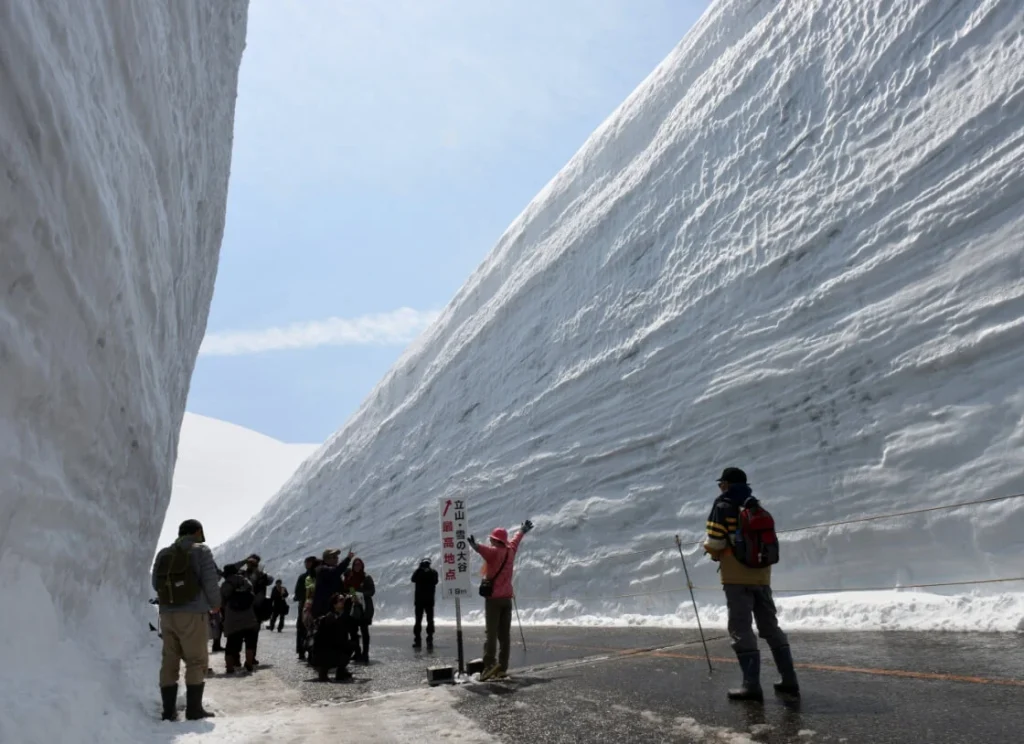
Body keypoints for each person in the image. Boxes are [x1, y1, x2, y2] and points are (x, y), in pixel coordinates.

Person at [704, 467, 799, 702]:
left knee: (741, 628)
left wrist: (712, 552)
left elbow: (715, 542)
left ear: (727, 484)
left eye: (721, 484)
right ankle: (789, 679)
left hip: (736, 577)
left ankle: (751, 685)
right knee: (770, 626)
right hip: (762, 576)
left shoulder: (722, 506)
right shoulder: (755, 506)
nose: (720, 487)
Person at [151, 519, 220, 721]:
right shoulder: (201, 551)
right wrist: (215, 604)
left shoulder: (164, 553)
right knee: (196, 660)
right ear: (197, 532)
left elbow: (155, 584)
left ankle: (168, 712)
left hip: (166, 614)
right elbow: (210, 582)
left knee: (169, 660)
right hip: (192, 613)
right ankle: (194, 710)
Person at [468, 519, 533, 681]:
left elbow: (481, 549)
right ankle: (502, 668)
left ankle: (489, 665)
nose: (490, 541)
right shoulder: (510, 551)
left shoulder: (493, 552)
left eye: (492, 539)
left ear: (495, 540)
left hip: (493, 600)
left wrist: (474, 545)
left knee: (491, 634)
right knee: (504, 635)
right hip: (507, 599)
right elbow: (515, 540)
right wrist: (522, 530)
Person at [219, 563, 259, 674]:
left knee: (231, 644)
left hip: (232, 618)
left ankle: (229, 667)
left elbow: (221, 603)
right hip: (248, 616)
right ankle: (249, 663)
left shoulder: (225, 585)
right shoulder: (245, 581)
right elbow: (252, 595)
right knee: (250, 642)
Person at [313, 592, 355, 682]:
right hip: (324, 652)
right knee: (348, 646)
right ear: (334, 605)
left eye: (344, 600)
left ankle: (340, 672)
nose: (343, 601)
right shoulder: (331, 617)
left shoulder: (338, 616)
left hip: (331, 649)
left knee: (350, 644)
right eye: (341, 600)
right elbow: (332, 639)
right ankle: (324, 672)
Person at [343, 558, 375, 663]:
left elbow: (372, 591)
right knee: (353, 632)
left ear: (362, 566)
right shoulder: (350, 577)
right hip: (353, 607)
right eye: (355, 564)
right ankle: (357, 652)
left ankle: (365, 654)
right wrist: (353, 595)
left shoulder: (366, 577)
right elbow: (348, 588)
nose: (357, 566)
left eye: (359, 565)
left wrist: (361, 595)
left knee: (364, 631)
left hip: (364, 608)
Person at [310, 548, 354, 618]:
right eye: (334, 557)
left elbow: (342, 588)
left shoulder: (332, 570)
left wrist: (352, 594)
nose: (337, 558)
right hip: (322, 610)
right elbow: (336, 571)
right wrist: (348, 559)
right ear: (326, 559)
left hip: (332, 608)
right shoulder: (322, 569)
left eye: (337, 556)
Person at [293, 556, 318, 660]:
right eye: (306, 562)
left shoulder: (317, 576)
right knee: (301, 628)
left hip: (313, 605)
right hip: (304, 605)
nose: (307, 564)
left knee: (312, 628)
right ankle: (301, 651)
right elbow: (297, 592)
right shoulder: (303, 577)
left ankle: (311, 650)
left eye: (309, 562)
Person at [411, 558, 438, 650]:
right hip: (429, 600)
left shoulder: (419, 572)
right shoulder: (433, 572)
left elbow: (413, 579)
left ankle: (418, 640)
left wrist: (419, 569)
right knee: (429, 620)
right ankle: (429, 639)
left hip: (420, 601)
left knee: (419, 620)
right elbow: (436, 581)